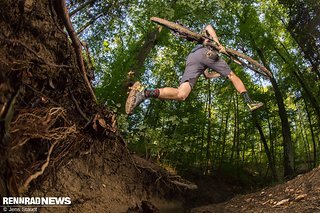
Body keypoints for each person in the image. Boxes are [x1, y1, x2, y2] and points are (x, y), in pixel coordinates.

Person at [125, 24, 264, 115]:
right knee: (233, 76)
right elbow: (208, 26)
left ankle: (144, 93)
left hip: (193, 59)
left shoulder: (200, 51)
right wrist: (218, 43)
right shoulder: (209, 39)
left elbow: (208, 75)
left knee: (182, 94)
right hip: (206, 53)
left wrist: (221, 74)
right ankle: (249, 102)